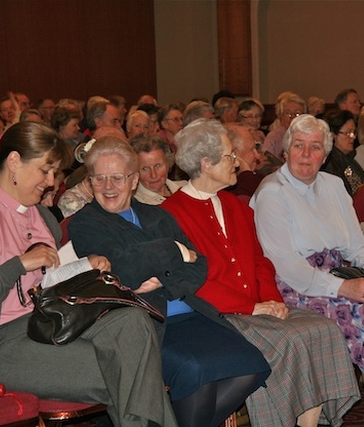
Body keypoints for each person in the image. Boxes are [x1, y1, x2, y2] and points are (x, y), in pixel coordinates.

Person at [0, 122, 177, 427]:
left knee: (133, 322)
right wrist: (18, 264)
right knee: (131, 371)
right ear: (13, 162)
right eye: (45, 171)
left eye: (54, 173)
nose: (52, 182)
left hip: (48, 323)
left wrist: (82, 267)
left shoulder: (42, 218)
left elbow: (48, 283)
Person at [163, 118, 360, 427]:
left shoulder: (235, 206)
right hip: (217, 315)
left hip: (257, 305)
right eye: (229, 156)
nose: (237, 162)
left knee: (324, 330)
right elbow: (191, 282)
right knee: (290, 341)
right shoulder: (171, 213)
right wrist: (252, 307)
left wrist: (270, 299)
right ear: (205, 163)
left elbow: (260, 261)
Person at [67, 136, 270, 427]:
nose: (108, 187)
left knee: (250, 365)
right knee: (196, 373)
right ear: (89, 182)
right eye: (99, 179)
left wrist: (162, 280)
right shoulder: (85, 223)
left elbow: (199, 265)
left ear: (134, 180)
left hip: (191, 313)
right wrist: (173, 251)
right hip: (146, 326)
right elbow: (123, 270)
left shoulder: (157, 215)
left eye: (117, 178)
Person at [251, 115, 364, 427]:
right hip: (297, 288)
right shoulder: (272, 193)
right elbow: (286, 266)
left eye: (315, 147)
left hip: (338, 275)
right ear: (286, 150)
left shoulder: (333, 185)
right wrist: (342, 288)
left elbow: (354, 243)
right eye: (299, 146)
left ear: (325, 154)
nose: (306, 154)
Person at [322, 109, 364, 197]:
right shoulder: (328, 164)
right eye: (348, 133)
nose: (353, 137)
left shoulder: (349, 158)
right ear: (333, 135)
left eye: (353, 132)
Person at [132, 135, 186, 205]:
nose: (153, 175)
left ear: (168, 163)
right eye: (145, 169)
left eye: (158, 166)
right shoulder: (136, 204)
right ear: (136, 172)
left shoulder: (185, 188)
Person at [262, 93, 306, 159]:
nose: (292, 117)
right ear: (280, 116)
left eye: (297, 113)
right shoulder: (273, 137)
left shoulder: (309, 135)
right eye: (288, 113)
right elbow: (267, 163)